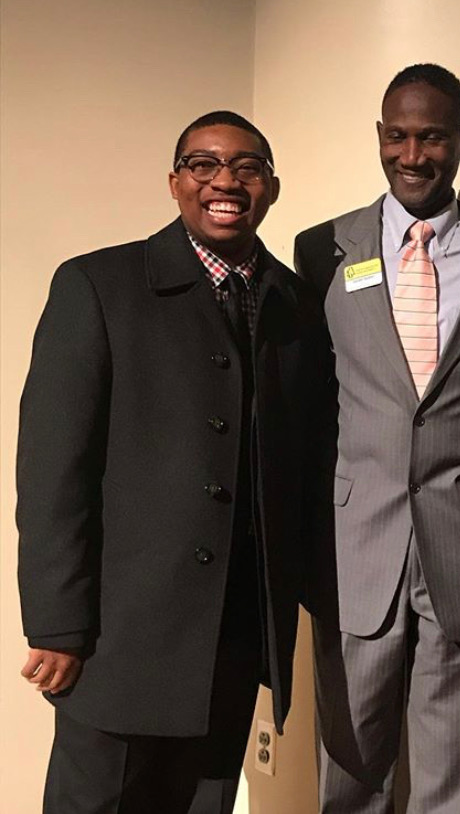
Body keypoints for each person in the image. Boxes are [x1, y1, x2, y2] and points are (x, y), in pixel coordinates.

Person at [17, 110, 332, 814]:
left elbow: (306, 465)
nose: (226, 181)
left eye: (247, 167)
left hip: (235, 637)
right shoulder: (98, 286)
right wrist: (58, 626)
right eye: (204, 165)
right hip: (118, 639)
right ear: (175, 182)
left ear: (272, 186)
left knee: (205, 804)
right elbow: (51, 474)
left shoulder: (296, 306)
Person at [294, 63, 460, 812]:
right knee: (350, 765)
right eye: (397, 136)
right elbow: (305, 405)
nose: (411, 155)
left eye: (431, 136)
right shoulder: (321, 251)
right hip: (354, 546)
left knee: (454, 771)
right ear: (378, 137)